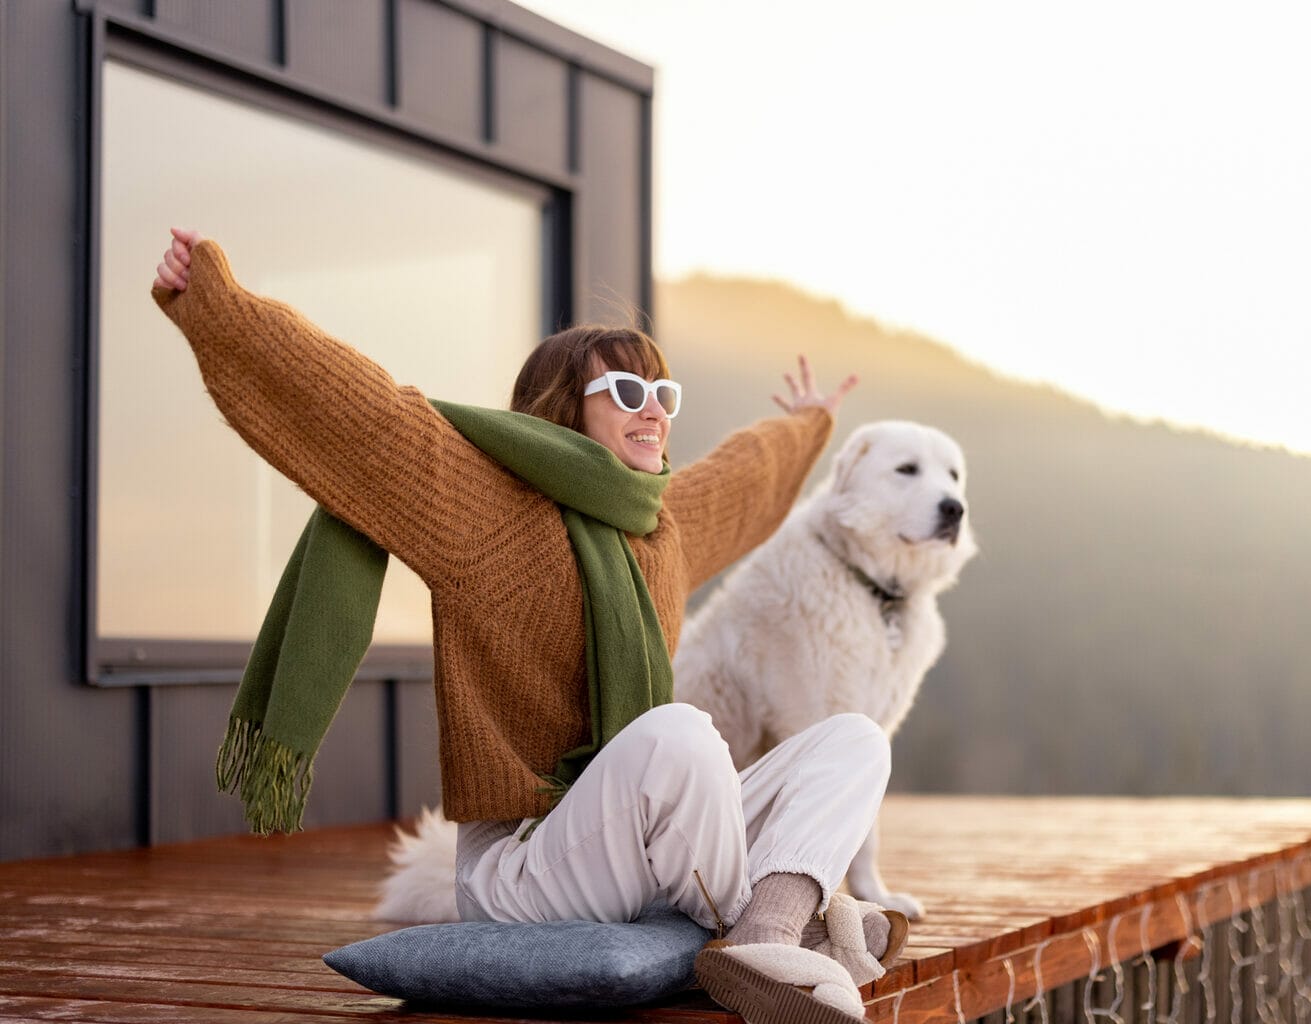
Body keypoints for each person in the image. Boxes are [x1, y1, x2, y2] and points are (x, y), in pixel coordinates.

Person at [152, 228, 903, 1023]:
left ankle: (771, 932)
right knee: (680, 735)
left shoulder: (659, 523)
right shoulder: (483, 508)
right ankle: (797, 931)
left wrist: (807, 426)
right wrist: (217, 306)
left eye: (663, 395)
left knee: (854, 739)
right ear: (560, 407)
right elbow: (360, 413)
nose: (652, 412)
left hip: (639, 840)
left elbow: (742, 480)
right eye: (624, 392)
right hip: (524, 862)